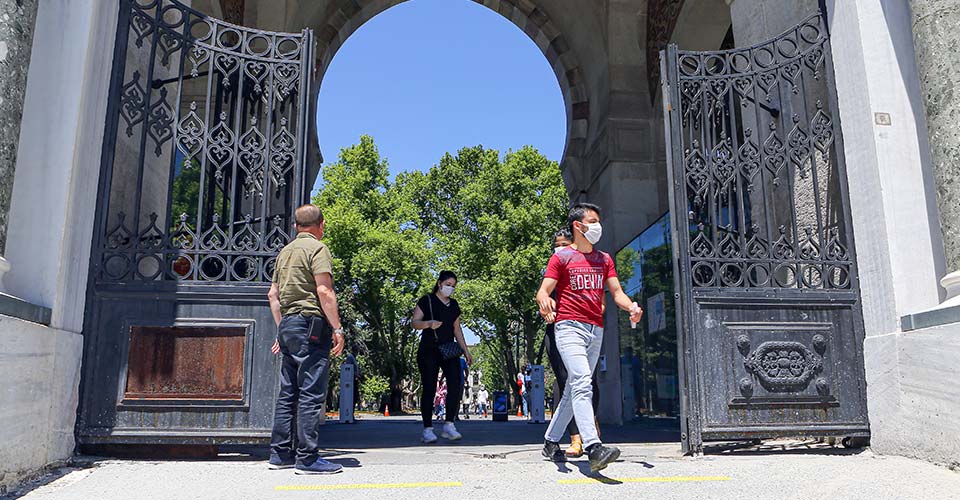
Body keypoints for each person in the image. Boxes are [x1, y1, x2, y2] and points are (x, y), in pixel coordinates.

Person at [536, 202, 643, 473]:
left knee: (574, 388)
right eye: (592, 221)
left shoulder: (604, 259)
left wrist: (631, 306)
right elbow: (543, 291)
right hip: (568, 327)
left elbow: (616, 292)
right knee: (583, 382)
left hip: (596, 329)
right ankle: (594, 447)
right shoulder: (561, 258)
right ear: (578, 226)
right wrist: (545, 301)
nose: (597, 226)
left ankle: (550, 441)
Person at [267, 204, 346, 475]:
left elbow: (272, 296)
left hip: (288, 324)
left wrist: (282, 330)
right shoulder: (317, 249)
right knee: (311, 392)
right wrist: (337, 328)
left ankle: (279, 454)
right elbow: (324, 290)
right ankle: (308, 459)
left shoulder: (284, 253)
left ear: (294, 226)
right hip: (310, 324)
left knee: (288, 392)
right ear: (321, 225)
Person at [543, 228, 602, 458]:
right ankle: (584, 440)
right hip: (560, 331)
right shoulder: (554, 269)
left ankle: (551, 440)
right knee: (569, 381)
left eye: (565, 244)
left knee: (586, 382)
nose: (560, 249)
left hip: (588, 329)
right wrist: (546, 308)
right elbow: (543, 295)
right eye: (557, 245)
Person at [411, 270, 474, 443]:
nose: (450, 288)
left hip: (449, 350)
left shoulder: (454, 305)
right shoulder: (427, 300)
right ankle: (427, 429)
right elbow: (414, 322)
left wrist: (466, 351)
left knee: (455, 383)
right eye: (448, 285)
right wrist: (429, 324)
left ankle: (449, 424)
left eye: (453, 286)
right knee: (430, 388)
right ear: (439, 283)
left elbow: (457, 329)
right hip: (428, 350)